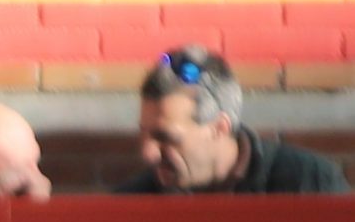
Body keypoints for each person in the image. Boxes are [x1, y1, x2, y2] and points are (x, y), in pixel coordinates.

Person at [118, 46, 349, 195]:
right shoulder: (133, 205)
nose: (148, 153)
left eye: (166, 137)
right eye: (143, 133)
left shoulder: (310, 185)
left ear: (220, 127)